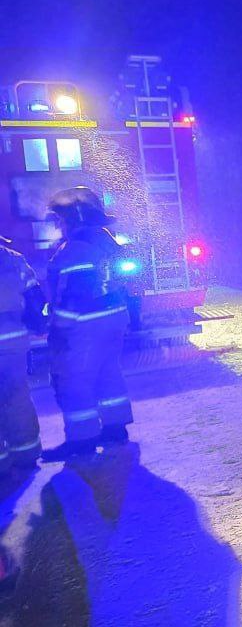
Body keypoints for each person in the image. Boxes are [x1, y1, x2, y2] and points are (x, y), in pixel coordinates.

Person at [39, 187, 133, 462]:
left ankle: (82, 441)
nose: (59, 225)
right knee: (108, 373)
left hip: (84, 326)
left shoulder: (74, 250)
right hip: (114, 319)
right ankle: (115, 429)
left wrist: (57, 328)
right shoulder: (105, 239)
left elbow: (74, 297)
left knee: (73, 381)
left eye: (61, 219)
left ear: (75, 217)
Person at [0, 239, 46, 472]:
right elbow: (34, 298)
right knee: (17, 395)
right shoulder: (13, 258)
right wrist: (38, 325)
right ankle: (27, 451)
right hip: (13, 340)